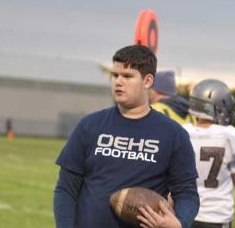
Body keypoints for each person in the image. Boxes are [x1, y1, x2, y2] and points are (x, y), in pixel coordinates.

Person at [53, 45, 199, 228]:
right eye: (115, 75)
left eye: (127, 76)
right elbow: (66, 188)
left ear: (147, 81)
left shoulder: (174, 134)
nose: (118, 82)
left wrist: (179, 223)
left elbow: (187, 194)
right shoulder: (89, 125)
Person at [182, 79, 235, 228]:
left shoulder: (180, 132)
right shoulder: (231, 136)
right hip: (216, 215)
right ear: (216, 108)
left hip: (184, 212)